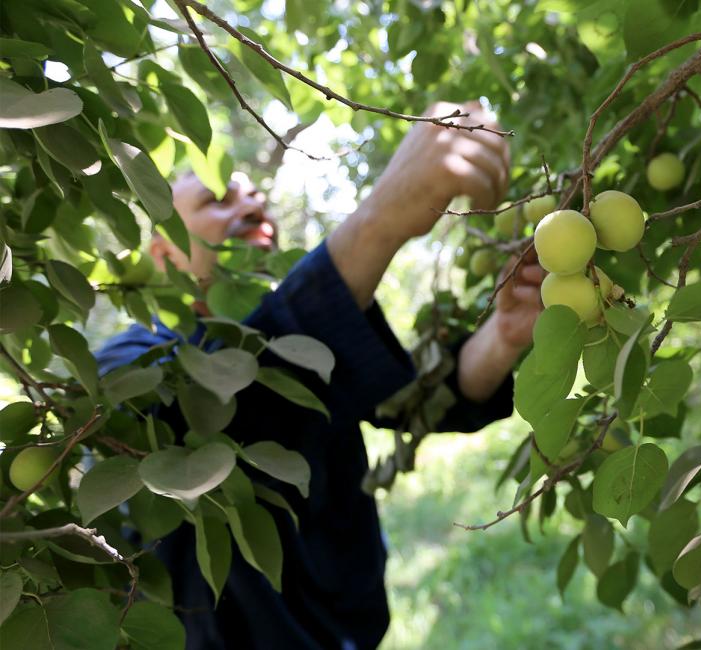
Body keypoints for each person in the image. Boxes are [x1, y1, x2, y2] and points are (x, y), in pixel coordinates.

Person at [95, 102, 544, 649]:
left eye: (253, 195)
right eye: (217, 199)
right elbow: (215, 405)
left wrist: (503, 334)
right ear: (164, 257)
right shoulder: (129, 364)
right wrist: (381, 219)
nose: (250, 204)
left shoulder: (311, 341)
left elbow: (420, 403)